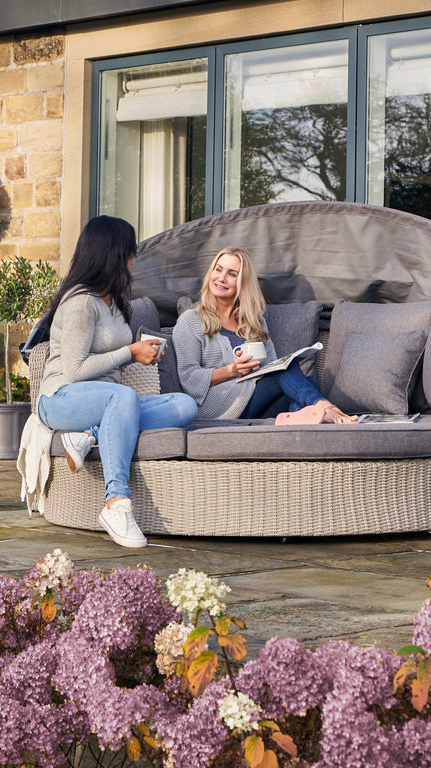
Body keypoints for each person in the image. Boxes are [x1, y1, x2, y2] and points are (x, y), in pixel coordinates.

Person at [36, 216, 198, 548]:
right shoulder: (81, 303)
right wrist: (130, 352)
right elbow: (75, 371)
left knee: (185, 405)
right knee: (122, 398)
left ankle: (89, 436)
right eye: (130, 252)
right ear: (113, 255)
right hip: (61, 399)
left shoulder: (114, 300)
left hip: (103, 401)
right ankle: (116, 503)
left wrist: (143, 351)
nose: (133, 260)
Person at [172, 247, 357, 423]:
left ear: (243, 282)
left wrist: (256, 370)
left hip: (254, 401)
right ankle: (325, 408)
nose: (221, 278)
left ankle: (300, 424)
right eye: (218, 269)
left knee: (306, 383)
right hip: (218, 407)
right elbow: (189, 378)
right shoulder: (191, 320)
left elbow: (271, 366)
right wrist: (231, 370)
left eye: (232, 274)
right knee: (293, 376)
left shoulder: (254, 321)